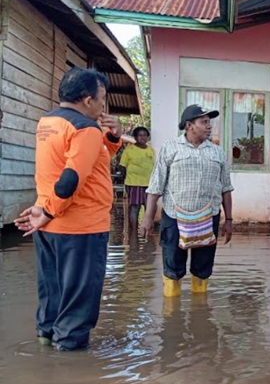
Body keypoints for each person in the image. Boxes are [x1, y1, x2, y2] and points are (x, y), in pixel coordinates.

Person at [14, 68, 122, 351]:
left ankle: (45, 342)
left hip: (49, 227)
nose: (102, 106)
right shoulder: (85, 128)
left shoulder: (49, 123)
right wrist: (49, 210)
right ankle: (69, 362)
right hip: (80, 227)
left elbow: (91, 160)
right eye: (101, 99)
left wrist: (113, 137)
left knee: (52, 291)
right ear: (87, 100)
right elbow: (70, 179)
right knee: (79, 300)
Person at [142, 104, 234, 297]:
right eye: (204, 122)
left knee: (203, 267)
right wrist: (148, 217)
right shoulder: (170, 148)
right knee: (172, 266)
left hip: (208, 218)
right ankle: (171, 313)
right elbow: (156, 185)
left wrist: (229, 220)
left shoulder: (217, 152)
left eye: (210, 122)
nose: (209, 126)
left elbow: (226, 187)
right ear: (189, 125)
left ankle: (199, 310)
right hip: (175, 217)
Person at [119, 126, 155, 235]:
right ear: (135, 137)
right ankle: (133, 233)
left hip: (149, 184)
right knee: (134, 207)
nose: (143, 137)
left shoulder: (150, 150)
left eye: (145, 135)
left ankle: (148, 231)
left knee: (150, 207)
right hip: (133, 183)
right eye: (140, 135)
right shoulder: (129, 150)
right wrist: (126, 182)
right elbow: (122, 167)